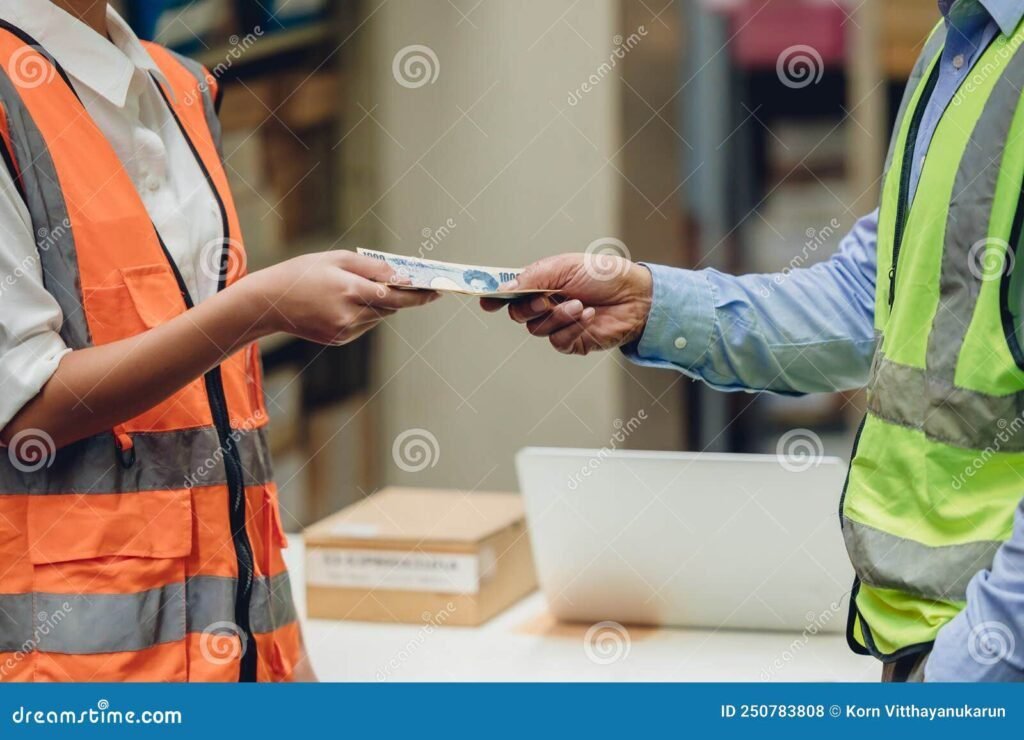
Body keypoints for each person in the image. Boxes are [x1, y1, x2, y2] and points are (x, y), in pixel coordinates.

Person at [485, 0, 1024, 682]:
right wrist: (653, 305)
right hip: (927, 641)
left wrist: (972, 670)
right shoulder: (966, 43)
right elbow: (874, 295)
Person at [0, 1, 438, 682]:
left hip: (237, 655)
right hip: (76, 674)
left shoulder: (179, 85)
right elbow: (27, 404)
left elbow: (212, 412)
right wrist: (261, 306)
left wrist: (284, 659)